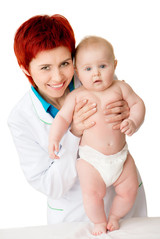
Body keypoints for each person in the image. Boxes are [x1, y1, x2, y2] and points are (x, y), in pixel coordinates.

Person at [8, 15, 147, 227]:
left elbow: (127, 107)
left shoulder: (93, 74)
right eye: (45, 68)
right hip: (73, 215)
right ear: (25, 68)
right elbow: (51, 185)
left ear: (73, 61)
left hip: (123, 196)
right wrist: (73, 133)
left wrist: (129, 114)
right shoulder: (20, 119)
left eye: (64, 63)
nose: (57, 78)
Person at [48, 36, 145, 235]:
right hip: (91, 160)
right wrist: (54, 138)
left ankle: (115, 217)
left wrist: (134, 121)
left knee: (129, 191)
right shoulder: (77, 96)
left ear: (114, 65)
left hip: (121, 157)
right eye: (88, 69)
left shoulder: (121, 88)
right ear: (77, 72)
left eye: (103, 65)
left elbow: (138, 104)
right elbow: (62, 119)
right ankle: (99, 222)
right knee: (92, 194)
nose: (97, 73)